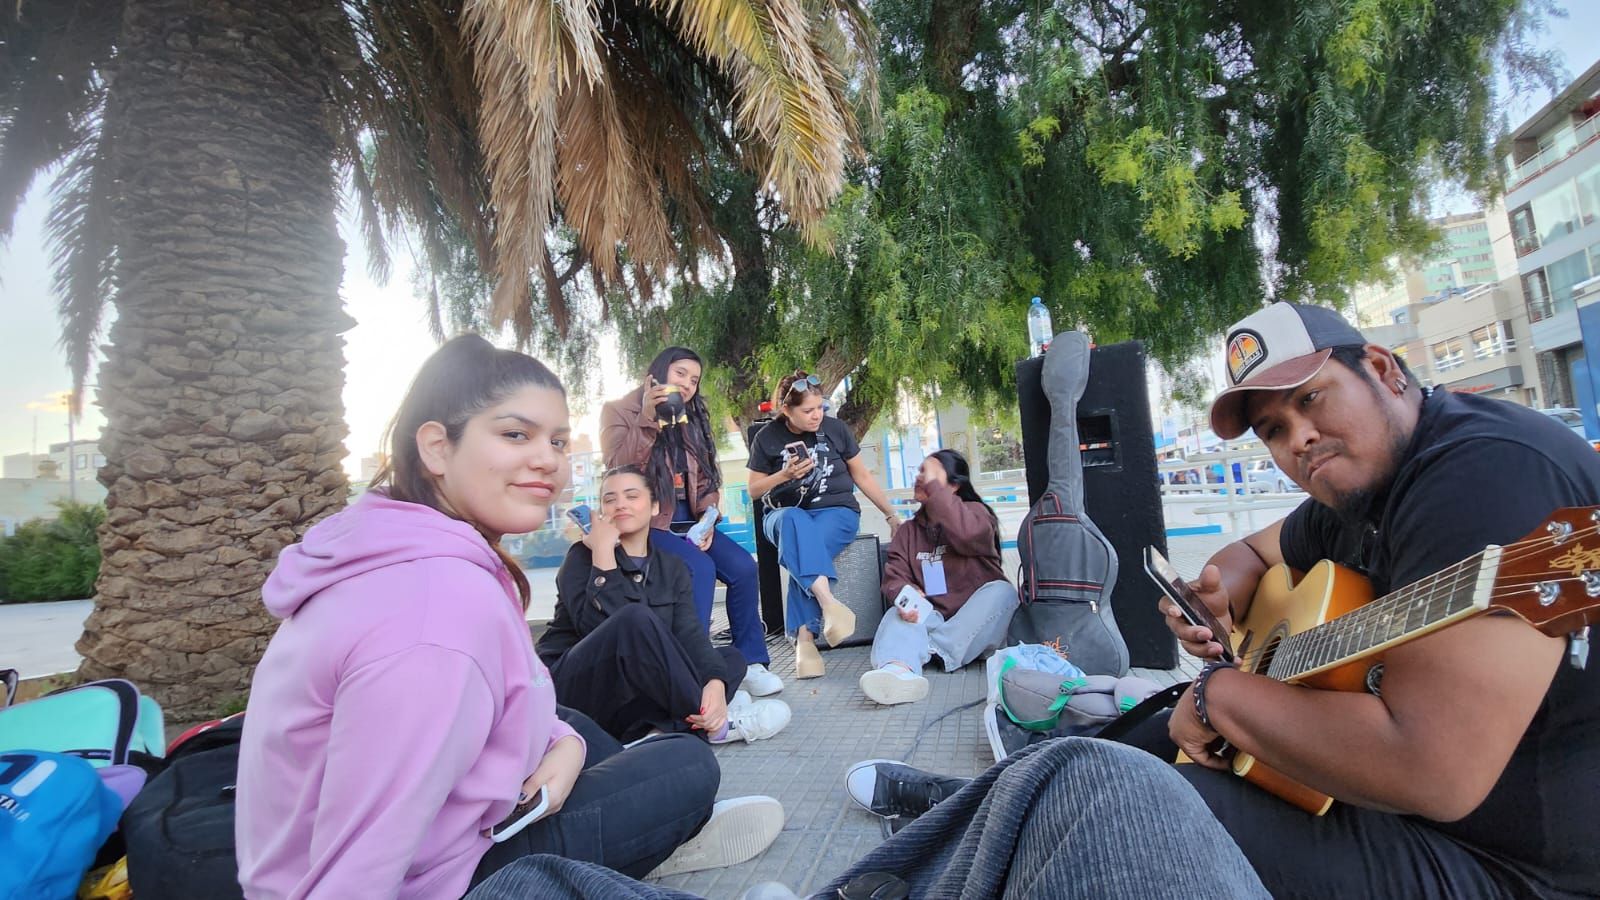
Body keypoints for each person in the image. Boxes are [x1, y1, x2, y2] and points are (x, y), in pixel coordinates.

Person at [235, 336, 779, 898]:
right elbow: (354, 874)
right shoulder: (433, 617)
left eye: (558, 441)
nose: (547, 459)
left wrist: (566, 745)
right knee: (687, 766)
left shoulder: (417, 553)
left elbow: (679, 638)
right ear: (437, 448)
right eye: (515, 434)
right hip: (447, 873)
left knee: (598, 726)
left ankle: (663, 795)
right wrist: (601, 563)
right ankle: (664, 822)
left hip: (471, 812)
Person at [1147, 301, 1600, 897]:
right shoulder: (1363, 485)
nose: (1299, 438)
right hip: (1408, 818)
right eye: (1273, 430)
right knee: (1117, 758)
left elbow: (1431, 771)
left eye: (1311, 398)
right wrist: (1218, 595)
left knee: (1142, 809)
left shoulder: (1486, 475)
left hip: (1514, 869)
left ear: (1383, 370)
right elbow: (1253, 553)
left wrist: (1218, 696)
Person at [536, 465, 791, 746]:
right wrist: (603, 554)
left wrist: (715, 683)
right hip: (578, 689)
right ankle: (715, 726)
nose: (620, 504)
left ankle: (662, 731)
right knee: (634, 619)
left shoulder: (673, 567)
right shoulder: (582, 558)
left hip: (634, 694)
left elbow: (690, 635)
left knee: (729, 659)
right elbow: (601, 631)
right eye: (609, 499)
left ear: (655, 507)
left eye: (632, 496)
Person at [600, 348, 779, 698]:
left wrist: (709, 517)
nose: (687, 384)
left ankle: (751, 661)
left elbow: (708, 480)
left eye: (694, 380)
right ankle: (697, 668)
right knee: (698, 568)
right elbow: (618, 467)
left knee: (743, 567)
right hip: (647, 523)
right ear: (658, 371)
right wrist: (648, 418)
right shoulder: (619, 410)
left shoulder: (692, 416)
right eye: (680, 373)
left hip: (692, 521)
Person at [746, 370, 902, 678]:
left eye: (820, 407)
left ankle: (805, 641)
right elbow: (753, 490)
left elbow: (862, 475)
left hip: (837, 513)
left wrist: (890, 514)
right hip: (783, 515)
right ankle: (830, 605)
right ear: (786, 410)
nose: (817, 415)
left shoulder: (835, 429)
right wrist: (784, 475)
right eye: (808, 411)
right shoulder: (767, 438)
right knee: (795, 524)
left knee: (802, 550)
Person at [861, 449, 1017, 705]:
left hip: (975, 624)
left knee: (1003, 593)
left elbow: (967, 533)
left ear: (954, 486)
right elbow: (894, 577)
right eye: (920, 472)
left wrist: (935, 490)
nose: (920, 478)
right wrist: (906, 594)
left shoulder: (977, 514)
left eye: (930, 473)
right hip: (932, 617)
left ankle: (929, 648)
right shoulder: (908, 531)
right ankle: (896, 672)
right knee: (895, 614)